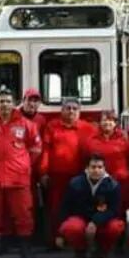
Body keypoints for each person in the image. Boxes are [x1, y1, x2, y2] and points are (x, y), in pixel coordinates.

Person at [0, 88, 42, 258]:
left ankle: (25, 248)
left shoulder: (26, 124)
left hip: (19, 178)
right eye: (1, 101)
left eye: (7, 101)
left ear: (14, 104)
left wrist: (24, 165)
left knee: (23, 214)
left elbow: (36, 149)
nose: (4, 104)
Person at [39, 98, 98, 242]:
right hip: (58, 176)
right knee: (56, 208)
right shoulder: (52, 126)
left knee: (82, 206)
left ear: (79, 111)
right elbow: (45, 150)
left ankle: (80, 239)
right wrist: (43, 171)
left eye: (74, 108)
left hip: (82, 176)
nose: (71, 111)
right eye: (68, 108)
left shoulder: (89, 128)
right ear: (62, 110)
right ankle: (56, 238)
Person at [55, 154, 126, 258]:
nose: (96, 170)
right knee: (71, 227)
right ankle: (80, 250)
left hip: (102, 220)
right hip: (81, 219)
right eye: (93, 167)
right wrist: (59, 234)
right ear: (87, 168)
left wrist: (95, 222)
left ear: (104, 169)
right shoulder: (75, 183)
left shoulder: (113, 185)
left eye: (100, 167)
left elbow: (114, 210)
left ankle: (102, 251)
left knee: (116, 227)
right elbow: (65, 207)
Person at [85, 111, 129, 212]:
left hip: (120, 182)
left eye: (111, 120)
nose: (107, 123)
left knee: (120, 210)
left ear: (115, 123)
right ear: (99, 122)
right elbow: (87, 160)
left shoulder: (124, 138)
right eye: (104, 120)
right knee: (100, 210)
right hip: (99, 183)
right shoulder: (91, 140)